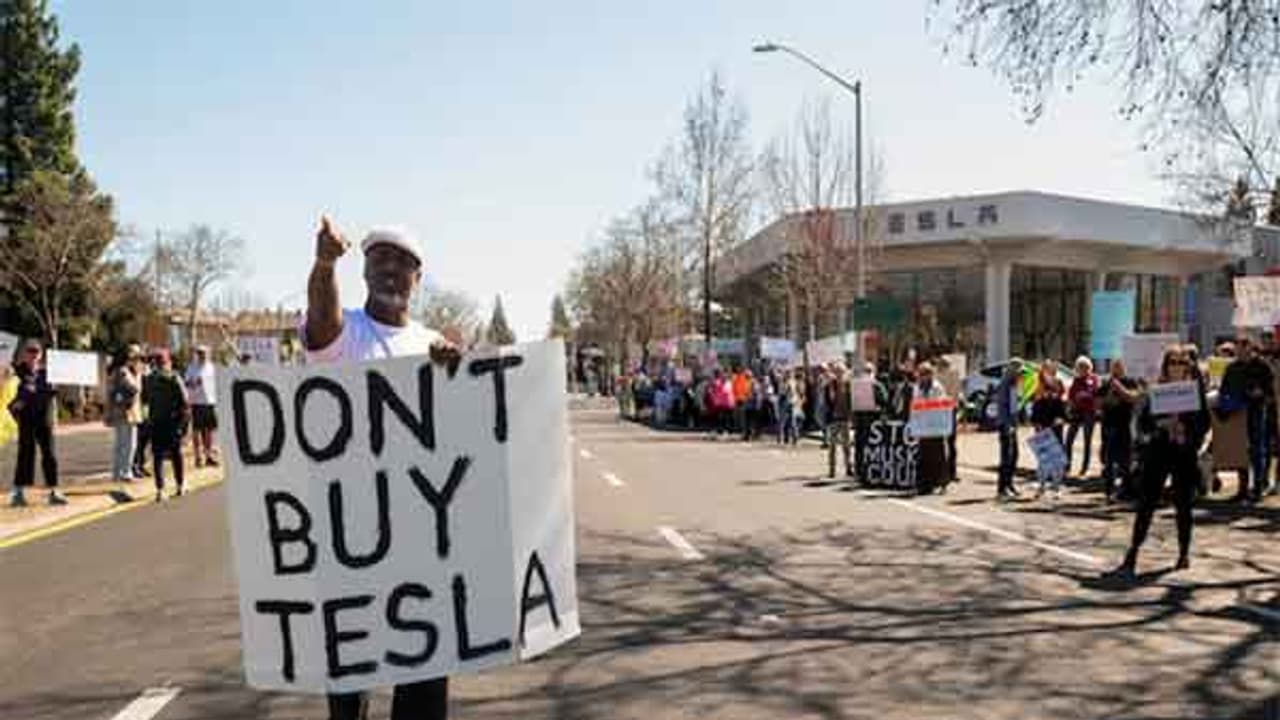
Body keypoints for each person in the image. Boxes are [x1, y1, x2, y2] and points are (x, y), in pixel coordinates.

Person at [303, 215, 461, 720]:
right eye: (379, 259)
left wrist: (455, 373)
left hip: (419, 535)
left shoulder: (432, 342)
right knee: (352, 678)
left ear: (418, 277)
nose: (390, 269)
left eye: (403, 262)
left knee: (424, 676)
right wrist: (325, 263)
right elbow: (320, 320)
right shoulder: (345, 331)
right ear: (365, 271)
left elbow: (461, 431)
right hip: (353, 534)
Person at [1112, 346, 1209, 580]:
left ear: (1188, 367)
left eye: (1181, 363)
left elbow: (1204, 424)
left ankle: (1183, 552)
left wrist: (1188, 433)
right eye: (1172, 362)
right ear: (1166, 366)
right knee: (1146, 503)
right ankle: (1132, 552)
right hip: (1159, 453)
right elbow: (1144, 423)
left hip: (1183, 455)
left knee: (1183, 505)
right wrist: (1160, 426)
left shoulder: (1194, 393)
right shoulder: (1157, 392)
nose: (1176, 367)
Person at [7, 339, 65, 507]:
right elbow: (7, 395)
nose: (33, 355)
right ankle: (18, 492)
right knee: (25, 454)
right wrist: (15, 405)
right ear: (24, 354)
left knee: (50, 454)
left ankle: (54, 491)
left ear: (40, 355)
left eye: (36, 352)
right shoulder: (16, 372)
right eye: (30, 351)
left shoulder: (47, 374)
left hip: (43, 419)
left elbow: (53, 394)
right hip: (25, 419)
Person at [142, 349, 188, 503]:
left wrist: (147, 421)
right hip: (173, 422)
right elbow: (185, 402)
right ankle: (180, 485)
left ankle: (160, 490)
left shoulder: (149, 379)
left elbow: (144, 401)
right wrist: (183, 425)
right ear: (168, 362)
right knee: (176, 455)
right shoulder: (174, 378)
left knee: (158, 457)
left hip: (156, 422)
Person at [1098, 358, 1141, 501]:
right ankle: (1109, 490)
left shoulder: (1130, 381)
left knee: (1125, 460)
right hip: (1109, 425)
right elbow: (1098, 402)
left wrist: (1120, 389)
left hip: (1125, 425)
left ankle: (1126, 488)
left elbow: (1134, 398)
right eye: (1114, 367)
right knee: (1108, 460)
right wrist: (1109, 396)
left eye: (1118, 366)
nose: (1116, 369)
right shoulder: (1106, 383)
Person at [1239, 339, 1273, 503]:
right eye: (1240, 349)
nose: (1242, 352)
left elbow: (1270, 389)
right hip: (1238, 411)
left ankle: (1259, 485)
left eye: (1245, 349)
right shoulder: (1235, 366)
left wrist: (1261, 393)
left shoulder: (1262, 366)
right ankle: (1244, 487)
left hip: (1257, 410)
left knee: (1257, 448)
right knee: (1242, 449)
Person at [104, 345, 144, 483]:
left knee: (120, 443)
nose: (138, 361)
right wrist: (138, 375)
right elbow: (134, 389)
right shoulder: (124, 372)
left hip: (120, 411)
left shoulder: (116, 370)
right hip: (127, 412)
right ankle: (125, 472)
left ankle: (117, 472)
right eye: (136, 358)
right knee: (129, 443)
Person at [911, 362, 951, 494]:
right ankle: (924, 484)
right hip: (923, 428)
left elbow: (942, 404)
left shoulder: (937, 387)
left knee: (938, 455)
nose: (923, 377)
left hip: (935, 427)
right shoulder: (917, 388)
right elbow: (915, 405)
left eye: (925, 374)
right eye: (921, 374)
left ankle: (941, 483)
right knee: (923, 456)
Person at [1030, 359, 1067, 499]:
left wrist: (1062, 417)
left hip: (1056, 424)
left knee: (1057, 459)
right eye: (1045, 368)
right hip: (1042, 424)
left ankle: (1057, 487)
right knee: (1043, 459)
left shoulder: (1058, 383)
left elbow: (1062, 404)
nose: (1047, 370)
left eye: (1049, 368)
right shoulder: (1038, 384)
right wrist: (1036, 422)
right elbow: (1036, 406)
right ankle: (1041, 486)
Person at [1063, 356, 1100, 478]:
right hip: (1077, 412)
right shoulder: (1076, 380)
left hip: (1089, 412)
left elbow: (1095, 393)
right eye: (1080, 367)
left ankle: (1085, 468)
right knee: (1069, 440)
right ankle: (1067, 466)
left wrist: (1085, 395)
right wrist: (1071, 404)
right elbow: (1071, 395)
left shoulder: (1094, 378)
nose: (1082, 370)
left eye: (1084, 367)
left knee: (1087, 440)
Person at [183, 345, 219, 467]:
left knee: (209, 431)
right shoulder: (192, 367)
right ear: (197, 354)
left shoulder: (212, 367)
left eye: (204, 353)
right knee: (196, 431)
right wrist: (194, 382)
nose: (202, 355)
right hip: (196, 402)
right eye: (200, 353)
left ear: (208, 354)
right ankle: (198, 457)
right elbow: (186, 383)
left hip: (210, 402)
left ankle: (208, 456)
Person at [851, 362, 887, 484]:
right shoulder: (873, 385)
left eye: (868, 370)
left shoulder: (875, 385)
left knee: (865, 446)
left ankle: (865, 471)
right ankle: (862, 471)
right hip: (865, 420)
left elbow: (884, 401)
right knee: (862, 446)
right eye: (866, 370)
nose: (867, 373)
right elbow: (885, 401)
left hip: (870, 421)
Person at [995, 358, 1024, 501]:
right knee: (1006, 457)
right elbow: (1004, 406)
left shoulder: (1015, 383)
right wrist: (1008, 425)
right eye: (1019, 370)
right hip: (1006, 424)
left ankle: (1010, 484)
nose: (1021, 373)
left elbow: (1016, 404)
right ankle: (1002, 488)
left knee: (1014, 455)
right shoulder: (1005, 383)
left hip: (1012, 423)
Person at [825, 362, 853, 479]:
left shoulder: (848, 385)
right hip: (833, 418)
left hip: (845, 417)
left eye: (841, 372)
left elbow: (851, 400)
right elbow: (828, 401)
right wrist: (831, 386)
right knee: (832, 446)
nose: (839, 374)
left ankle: (848, 468)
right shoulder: (830, 385)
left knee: (846, 446)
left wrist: (851, 416)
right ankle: (832, 470)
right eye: (837, 372)